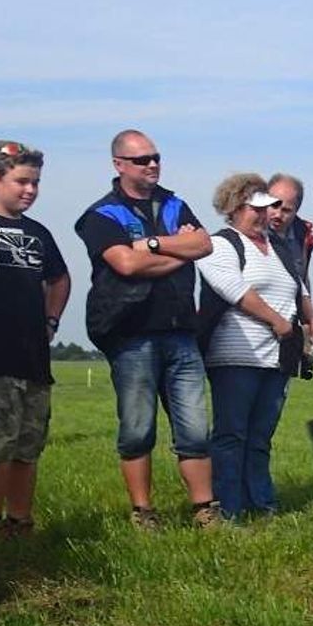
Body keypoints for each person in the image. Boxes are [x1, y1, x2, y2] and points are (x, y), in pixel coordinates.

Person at [74, 129, 219, 530]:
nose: (152, 164)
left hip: (181, 333)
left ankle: (204, 508)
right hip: (131, 334)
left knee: (194, 428)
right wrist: (178, 250)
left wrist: (152, 247)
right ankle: (143, 511)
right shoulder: (102, 215)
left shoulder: (174, 204)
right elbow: (125, 265)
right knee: (137, 429)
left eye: (156, 157)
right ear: (119, 164)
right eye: (141, 160)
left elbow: (205, 245)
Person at [0, 141, 70, 536]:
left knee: (28, 445)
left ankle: (20, 521)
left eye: (35, 183)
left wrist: (51, 321)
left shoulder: (38, 232)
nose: (30, 190)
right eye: (22, 181)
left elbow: (59, 278)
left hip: (33, 358)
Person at [197, 173, 313, 521]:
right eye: (258, 208)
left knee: (261, 436)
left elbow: (298, 284)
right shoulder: (220, 245)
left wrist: (308, 315)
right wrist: (277, 321)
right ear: (235, 208)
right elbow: (237, 291)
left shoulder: (277, 246)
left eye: (268, 208)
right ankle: (229, 508)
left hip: (276, 358)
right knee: (231, 434)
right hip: (236, 356)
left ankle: (262, 503)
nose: (266, 214)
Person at [266, 173, 313, 343]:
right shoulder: (250, 232)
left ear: (296, 210)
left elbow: (301, 278)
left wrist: (309, 317)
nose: (277, 214)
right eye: (274, 206)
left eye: (286, 210)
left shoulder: (301, 237)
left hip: (288, 326)